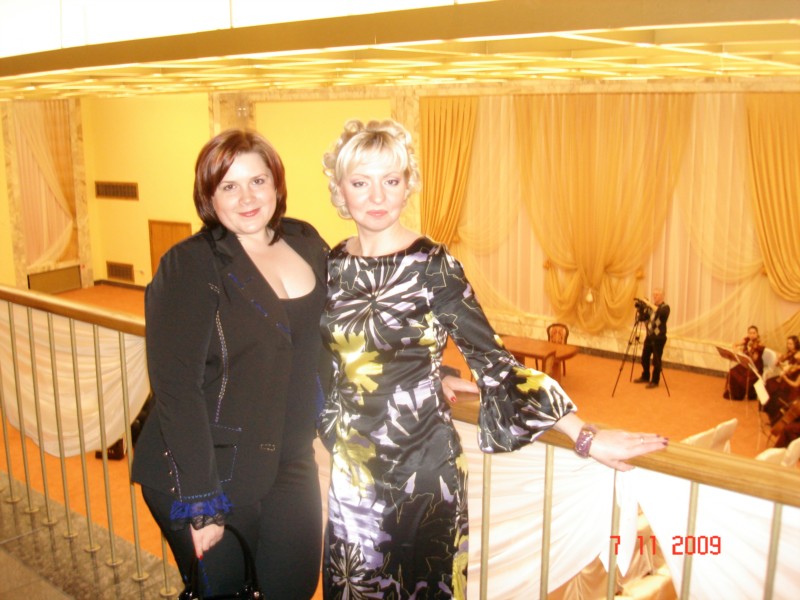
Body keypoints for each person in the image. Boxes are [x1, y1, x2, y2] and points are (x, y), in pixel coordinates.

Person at [317, 119, 668, 599]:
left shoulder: (432, 265)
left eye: (391, 180)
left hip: (421, 469)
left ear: (407, 185)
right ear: (340, 189)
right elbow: (345, 354)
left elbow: (495, 362)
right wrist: (433, 371)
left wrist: (583, 435)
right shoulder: (335, 262)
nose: (377, 196)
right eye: (361, 182)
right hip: (353, 468)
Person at [131, 129, 330, 598]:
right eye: (229, 186)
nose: (247, 198)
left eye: (257, 181)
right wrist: (201, 502)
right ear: (209, 195)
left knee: (294, 587)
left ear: (276, 183)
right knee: (225, 592)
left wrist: (428, 371)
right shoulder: (190, 265)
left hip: (290, 459)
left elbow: (354, 323)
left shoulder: (305, 241)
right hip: (205, 466)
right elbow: (175, 387)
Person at [633, 289, 670, 389]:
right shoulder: (651, 308)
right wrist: (641, 310)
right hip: (649, 336)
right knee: (644, 358)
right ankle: (645, 376)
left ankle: (655, 380)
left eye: (657, 295)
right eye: (654, 295)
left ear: (662, 296)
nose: (655, 297)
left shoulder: (665, 307)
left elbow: (659, 312)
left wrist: (648, 303)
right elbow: (643, 318)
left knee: (656, 361)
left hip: (659, 337)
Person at [763, 335, 800, 424]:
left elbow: (792, 373)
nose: (788, 346)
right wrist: (779, 362)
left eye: (791, 344)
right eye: (788, 343)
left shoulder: (797, 355)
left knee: (775, 392)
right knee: (769, 382)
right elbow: (785, 367)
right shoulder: (789, 354)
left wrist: (785, 372)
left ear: (796, 344)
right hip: (786, 377)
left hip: (792, 382)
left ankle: (775, 418)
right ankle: (769, 413)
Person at [723, 325, 765, 400]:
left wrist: (749, 350)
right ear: (748, 334)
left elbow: (754, 359)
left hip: (755, 366)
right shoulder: (747, 340)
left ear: (757, 334)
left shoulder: (759, 344)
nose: (752, 335)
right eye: (750, 333)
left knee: (742, 377)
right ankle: (733, 393)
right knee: (732, 371)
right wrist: (736, 351)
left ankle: (741, 395)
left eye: (754, 333)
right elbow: (735, 344)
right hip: (746, 363)